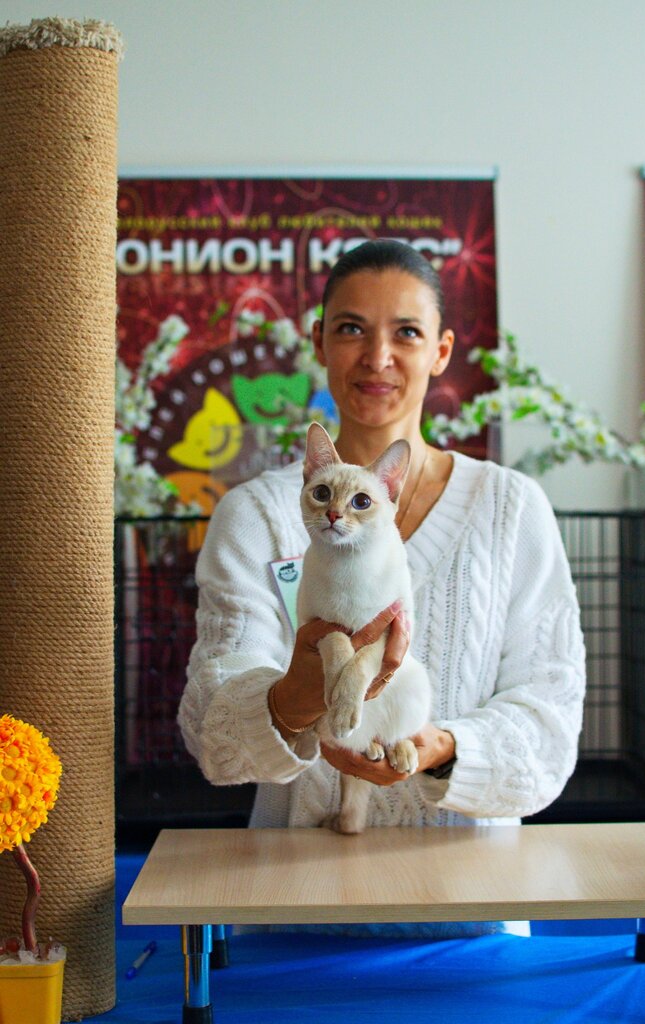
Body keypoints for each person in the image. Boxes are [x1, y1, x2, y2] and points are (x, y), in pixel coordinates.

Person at [177, 239, 586, 938]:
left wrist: (438, 748)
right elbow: (211, 730)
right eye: (351, 329)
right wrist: (298, 696)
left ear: (442, 351)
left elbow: (551, 719)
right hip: (291, 911)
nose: (377, 357)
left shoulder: (510, 509)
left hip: (473, 917)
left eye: (407, 333)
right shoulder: (257, 516)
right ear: (318, 341)